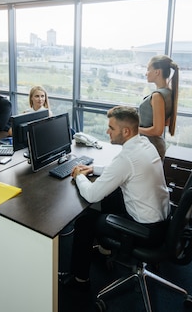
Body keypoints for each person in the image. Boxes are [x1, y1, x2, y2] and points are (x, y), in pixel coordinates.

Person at [60, 106, 170, 290]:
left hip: (145, 232)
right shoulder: (144, 144)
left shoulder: (127, 157)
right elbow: (121, 171)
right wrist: (93, 169)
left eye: (111, 128)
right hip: (162, 222)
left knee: (85, 221)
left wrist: (78, 175)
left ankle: (79, 280)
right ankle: (106, 249)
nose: (107, 131)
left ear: (125, 131)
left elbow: (91, 195)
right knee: (112, 195)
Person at [138, 54, 179, 160]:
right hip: (152, 146)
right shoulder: (168, 93)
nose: (146, 73)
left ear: (157, 72)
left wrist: (135, 129)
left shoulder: (158, 96)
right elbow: (165, 122)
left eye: (148, 69)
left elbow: (157, 130)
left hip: (150, 146)